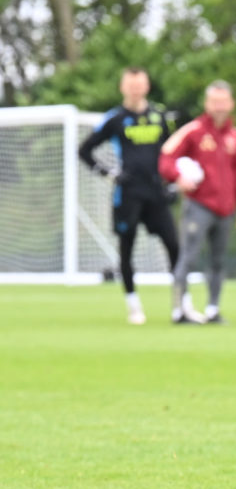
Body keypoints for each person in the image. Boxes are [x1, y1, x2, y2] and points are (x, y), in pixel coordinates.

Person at [77, 66, 180, 325]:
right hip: (128, 194)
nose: (136, 90)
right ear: (123, 87)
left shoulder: (160, 116)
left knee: (175, 246)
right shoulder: (115, 119)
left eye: (140, 85)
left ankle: (181, 305)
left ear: (146, 86)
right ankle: (134, 306)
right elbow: (85, 150)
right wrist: (109, 173)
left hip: (156, 193)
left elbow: (173, 152)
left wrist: (173, 182)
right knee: (126, 249)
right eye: (131, 85)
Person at [158, 81, 236, 325]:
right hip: (198, 206)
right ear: (207, 104)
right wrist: (178, 177)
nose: (220, 107)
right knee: (188, 257)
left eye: (224, 102)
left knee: (218, 261)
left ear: (231, 104)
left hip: (225, 209)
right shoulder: (194, 131)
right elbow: (166, 157)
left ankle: (212, 309)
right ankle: (180, 310)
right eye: (215, 102)